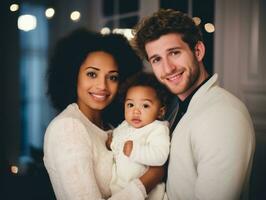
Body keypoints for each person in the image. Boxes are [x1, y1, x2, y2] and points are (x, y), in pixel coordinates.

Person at [133, 9, 255, 200]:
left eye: (174, 52)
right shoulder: (179, 106)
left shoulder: (222, 117)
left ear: (197, 51)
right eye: (156, 59)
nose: (168, 68)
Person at [43, 28, 164, 200]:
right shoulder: (68, 128)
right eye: (92, 74)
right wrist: (150, 179)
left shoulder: (110, 128)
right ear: (72, 75)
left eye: (112, 77)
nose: (102, 86)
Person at [106, 72, 171, 200]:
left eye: (145, 105)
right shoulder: (125, 125)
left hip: (149, 194)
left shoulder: (157, 128)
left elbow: (161, 155)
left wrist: (136, 150)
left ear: (160, 112)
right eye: (130, 105)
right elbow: (118, 143)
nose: (135, 111)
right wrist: (111, 143)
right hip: (120, 190)